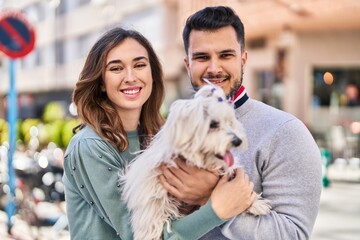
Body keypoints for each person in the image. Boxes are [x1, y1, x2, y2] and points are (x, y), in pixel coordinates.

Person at [62, 27, 256, 240]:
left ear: (152, 75)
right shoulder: (90, 146)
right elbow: (139, 234)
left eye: (139, 65)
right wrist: (217, 210)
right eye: (116, 68)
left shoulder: (160, 138)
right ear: (100, 83)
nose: (130, 77)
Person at [160, 6, 323, 240]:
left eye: (226, 55)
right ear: (188, 65)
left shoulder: (286, 133)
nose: (214, 68)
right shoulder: (170, 131)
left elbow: (292, 235)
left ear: (243, 60)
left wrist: (210, 196)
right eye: (202, 57)